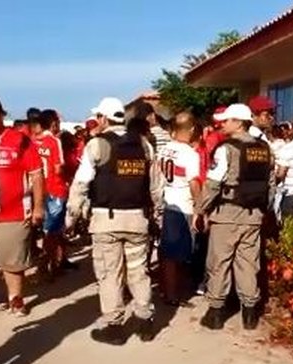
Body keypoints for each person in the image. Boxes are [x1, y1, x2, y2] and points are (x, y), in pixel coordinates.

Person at [66, 96, 162, 345]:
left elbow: (81, 183)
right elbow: (155, 187)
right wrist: (157, 215)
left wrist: (71, 216)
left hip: (106, 220)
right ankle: (144, 320)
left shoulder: (96, 145)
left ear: (103, 118)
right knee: (139, 272)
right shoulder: (144, 145)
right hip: (137, 219)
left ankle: (114, 326)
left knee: (110, 275)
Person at [199, 103, 272, 331]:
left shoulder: (226, 149)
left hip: (227, 214)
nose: (223, 123)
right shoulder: (264, 148)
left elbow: (213, 183)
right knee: (249, 264)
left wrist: (200, 209)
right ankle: (250, 314)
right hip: (254, 215)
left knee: (219, 262)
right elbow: (270, 184)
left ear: (239, 123)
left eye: (228, 120)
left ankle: (215, 313)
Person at [0, 95, 44, 316]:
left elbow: (36, 175)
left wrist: (38, 207)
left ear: (1, 116)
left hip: (12, 214)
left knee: (12, 263)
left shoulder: (19, 140)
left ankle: (15, 298)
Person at [157, 112, 202, 306]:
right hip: (182, 206)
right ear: (192, 129)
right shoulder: (189, 154)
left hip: (165, 201)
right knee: (177, 254)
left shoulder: (165, 149)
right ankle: (173, 294)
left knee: (166, 251)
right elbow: (193, 183)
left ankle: (166, 289)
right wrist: (199, 208)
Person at [33, 109, 70, 275]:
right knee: (54, 231)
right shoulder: (54, 142)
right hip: (56, 189)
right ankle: (49, 264)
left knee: (46, 229)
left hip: (39, 190)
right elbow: (58, 167)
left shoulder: (33, 142)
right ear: (54, 123)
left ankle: (48, 261)